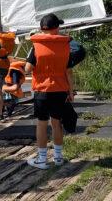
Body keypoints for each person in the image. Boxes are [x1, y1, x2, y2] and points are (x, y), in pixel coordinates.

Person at [25, 13, 80, 169]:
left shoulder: (35, 46)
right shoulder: (65, 46)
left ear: (42, 29)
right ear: (57, 28)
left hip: (42, 91)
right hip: (60, 90)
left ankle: (42, 160)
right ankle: (58, 157)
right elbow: (69, 72)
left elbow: (28, 69)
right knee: (57, 123)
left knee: (41, 124)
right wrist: (71, 91)